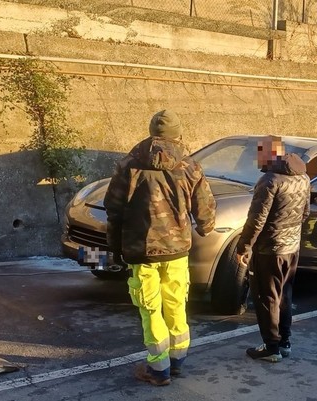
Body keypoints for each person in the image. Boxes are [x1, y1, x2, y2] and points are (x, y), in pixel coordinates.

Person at [104, 110, 217, 386]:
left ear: (152, 131)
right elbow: (205, 213)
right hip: (177, 250)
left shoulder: (129, 164)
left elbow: (113, 208)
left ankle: (158, 370)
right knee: (176, 304)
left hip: (141, 251)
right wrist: (204, 227)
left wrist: (114, 248)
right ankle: (177, 362)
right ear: (178, 134)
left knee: (150, 308)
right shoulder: (191, 167)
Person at [236, 136, 311, 363]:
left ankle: (271, 347)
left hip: (270, 249)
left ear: (271, 154)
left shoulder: (269, 180)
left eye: (260, 153)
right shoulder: (303, 177)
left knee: (267, 297)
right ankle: (285, 342)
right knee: (285, 295)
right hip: (291, 247)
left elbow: (256, 220)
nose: (257, 158)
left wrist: (244, 247)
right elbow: (305, 212)